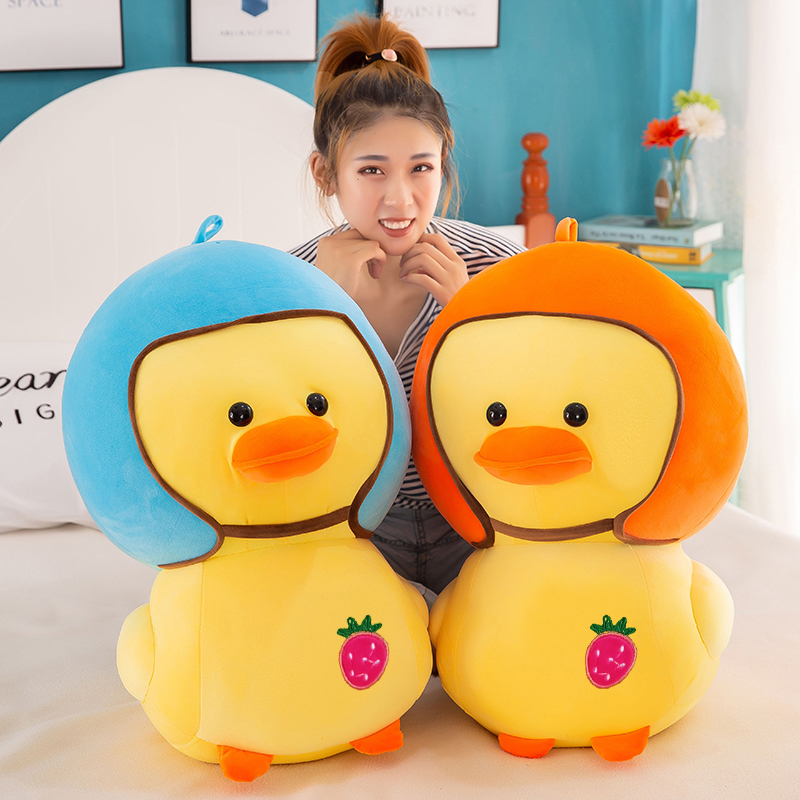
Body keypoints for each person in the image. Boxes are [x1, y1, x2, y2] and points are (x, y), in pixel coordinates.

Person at [290, 13, 524, 604]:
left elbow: (547, 405)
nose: (401, 200)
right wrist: (323, 311)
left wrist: (468, 316)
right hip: (351, 532)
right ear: (326, 174)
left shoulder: (496, 266)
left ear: (443, 162)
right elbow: (279, 426)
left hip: (480, 523)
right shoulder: (290, 285)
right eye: (372, 171)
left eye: (421, 168)